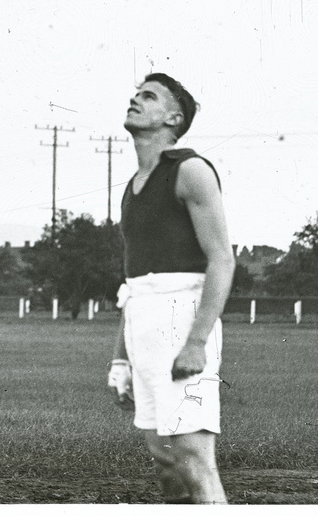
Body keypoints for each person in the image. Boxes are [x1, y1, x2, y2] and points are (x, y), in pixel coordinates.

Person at [107, 73, 235, 504]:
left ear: (174, 117)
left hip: (184, 319)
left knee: (192, 457)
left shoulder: (191, 170)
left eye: (148, 96)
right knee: (165, 462)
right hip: (143, 324)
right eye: (135, 93)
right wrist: (121, 359)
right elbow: (135, 284)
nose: (135, 99)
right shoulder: (132, 187)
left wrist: (196, 342)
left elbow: (222, 259)